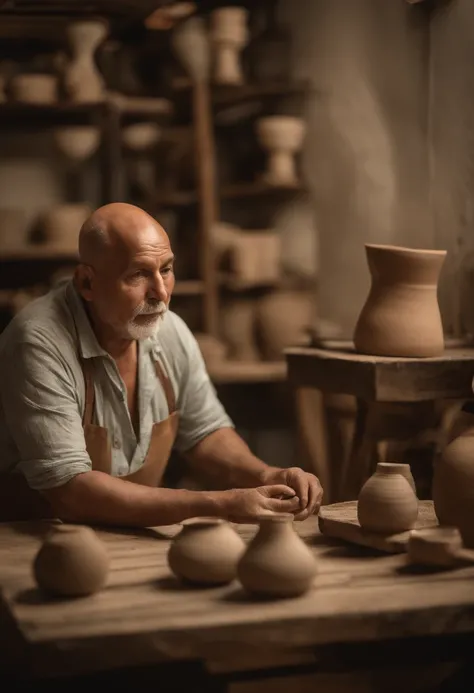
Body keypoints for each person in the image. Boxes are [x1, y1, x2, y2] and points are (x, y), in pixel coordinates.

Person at [0, 203, 323, 526]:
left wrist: (267, 474)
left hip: (126, 533)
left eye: (166, 270)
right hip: (34, 540)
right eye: (138, 274)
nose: (161, 293)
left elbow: (205, 434)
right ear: (87, 283)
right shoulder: (38, 343)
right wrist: (220, 503)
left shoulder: (170, 332)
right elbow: (70, 491)